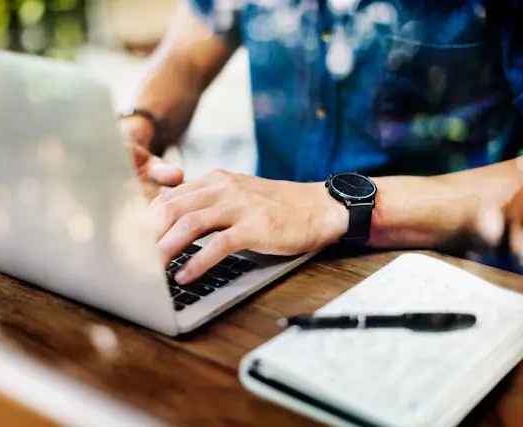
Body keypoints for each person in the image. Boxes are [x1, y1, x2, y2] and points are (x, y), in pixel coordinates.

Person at [118, 0, 523, 283]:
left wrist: (333, 206)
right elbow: (185, 56)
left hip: (453, 284)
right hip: (264, 264)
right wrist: (138, 124)